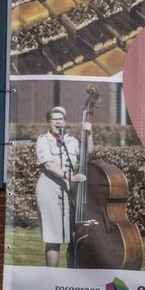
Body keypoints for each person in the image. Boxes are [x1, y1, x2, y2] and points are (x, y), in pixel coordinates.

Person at [34, 106, 92, 267]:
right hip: (49, 189)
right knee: (54, 236)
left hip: (68, 191)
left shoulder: (71, 141)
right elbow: (48, 166)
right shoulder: (43, 140)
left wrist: (89, 133)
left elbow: (88, 153)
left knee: (72, 234)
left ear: (64, 122)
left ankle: (70, 274)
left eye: (61, 119)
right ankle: (52, 275)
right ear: (49, 122)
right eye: (54, 119)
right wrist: (70, 177)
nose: (58, 122)